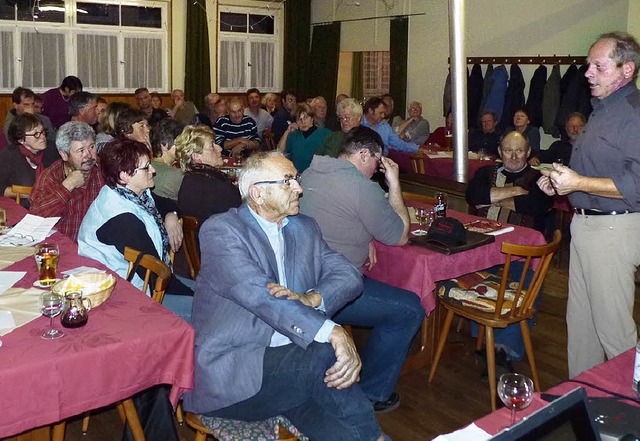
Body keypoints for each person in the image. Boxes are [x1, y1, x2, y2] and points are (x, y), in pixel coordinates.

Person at [182, 151, 388, 441]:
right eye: (288, 181)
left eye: (297, 180)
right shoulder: (223, 231)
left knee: (346, 427)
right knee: (324, 355)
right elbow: (260, 296)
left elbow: (348, 274)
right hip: (236, 370)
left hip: (291, 369)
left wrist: (313, 298)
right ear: (258, 193)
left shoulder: (304, 228)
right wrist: (332, 331)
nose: (299, 189)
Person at [300, 126, 425, 413]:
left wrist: (365, 235)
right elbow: (400, 235)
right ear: (364, 154)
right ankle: (371, 393)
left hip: (301, 278)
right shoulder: (361, 186)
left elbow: (338, 214)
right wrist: (394, 184)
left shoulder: (311, 172)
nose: (377, 171)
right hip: (329, 289)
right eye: (377, 164)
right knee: (409, 309)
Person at [537, 32, 640, 378]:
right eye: (588, 65)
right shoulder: (601, 110)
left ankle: (631, 413)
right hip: (585, 225)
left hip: (613, 229)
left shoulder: (634, 113)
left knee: (614, 332)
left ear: (627, 69)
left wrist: (577, 183)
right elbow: (595, 171)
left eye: (599, 66)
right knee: (581, 327)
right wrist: (559, 181)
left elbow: (636, 185)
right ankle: (589, 402)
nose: (588, 73)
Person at [78, 138, 192, 321]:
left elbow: (164, 203)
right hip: (127, 295)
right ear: (125, 175)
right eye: (147, 167)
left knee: (214, 294)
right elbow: (156, 277)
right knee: (213, 308)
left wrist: (170, 215)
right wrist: (201, 298)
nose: (153, 171)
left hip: (145, 281)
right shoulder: (120, 218)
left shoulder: (132, 193)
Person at [29, 121, 104, 243]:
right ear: (64, 155)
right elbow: (35, 218)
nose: (89, 155)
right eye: (81, 150)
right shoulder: (51, 176)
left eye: (91, 147)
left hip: (96, 247)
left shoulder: (104, 170)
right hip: (63, 247)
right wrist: (68, 185)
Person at [466, 131, 553, 234]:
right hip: (482, 236)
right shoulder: (485, 172)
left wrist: (489, 201)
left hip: (522, 242)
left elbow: (536, 206)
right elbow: (472, 196)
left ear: (528, 152)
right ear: (500, 151)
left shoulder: (538, 177)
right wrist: (515, 191)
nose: (514, 157)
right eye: (508, 150)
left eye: (519, 151)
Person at [175, 125, 241, 226]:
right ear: (197, 156)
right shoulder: (213, 186)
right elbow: (240, 214)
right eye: (212, 146)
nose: (219, 148)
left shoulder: (191, 179)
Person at [276, 103, 331, 173]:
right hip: (298, 176)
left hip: (319, 176)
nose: (303, 122)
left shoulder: (325, 134)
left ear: (312, 118)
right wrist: (287, 132)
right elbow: (279, 152)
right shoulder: (294, 136)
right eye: (299, 119)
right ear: (296, 122)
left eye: (306, 117)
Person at [150, 118, 185, 201]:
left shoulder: (149, 166)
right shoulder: (175, 174)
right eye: (180, 143)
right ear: (164, 145)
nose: (185, 147)